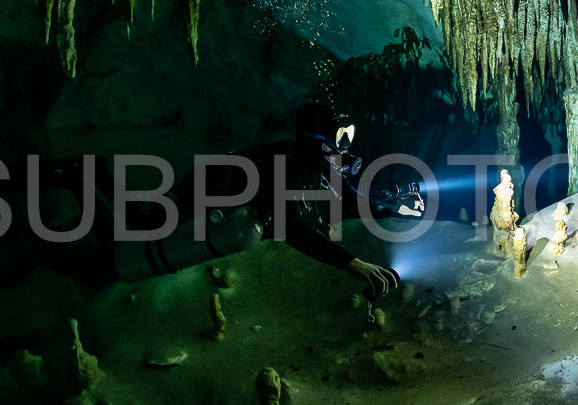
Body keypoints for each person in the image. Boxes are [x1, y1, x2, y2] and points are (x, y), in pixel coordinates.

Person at [51, 102, 405, 299]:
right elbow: (288, 222)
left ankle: (95, 179)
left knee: (136, 224)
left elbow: (347, 196)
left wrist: (386, 204)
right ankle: (86, 179)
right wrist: (352, 263)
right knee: (130, 235)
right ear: (316, 141)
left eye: (350, 137)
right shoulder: (288, 167)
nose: (346, 146)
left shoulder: (316, 163)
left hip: (216, 195)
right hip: (199, 196)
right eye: (340, 137)